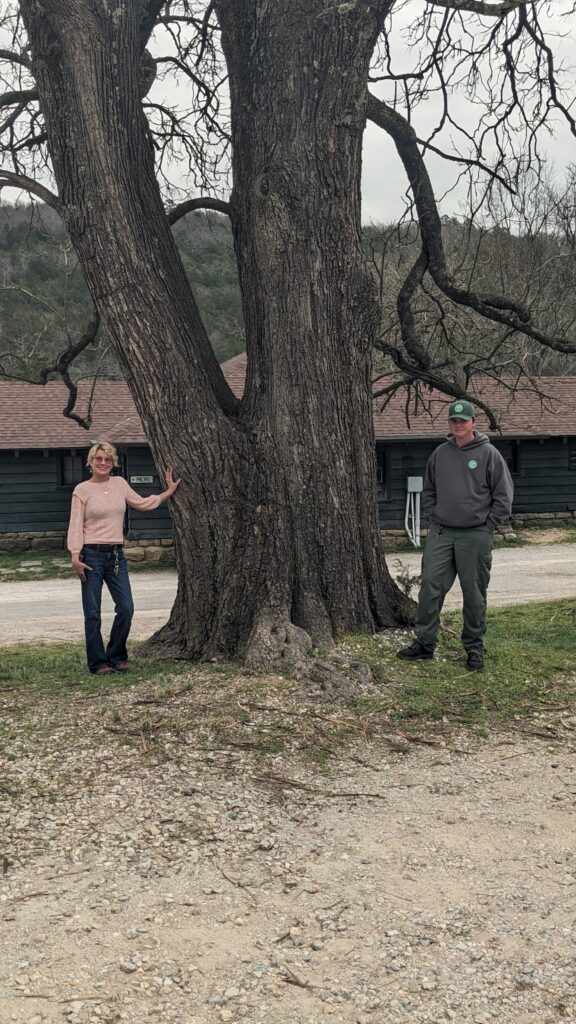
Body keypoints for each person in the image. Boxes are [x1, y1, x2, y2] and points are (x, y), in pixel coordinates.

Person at [396, 400, 513, 672]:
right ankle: (425, 643)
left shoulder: (489, 454)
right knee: (430, 588)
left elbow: (504, 494)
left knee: (474, 593)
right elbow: (429, 489)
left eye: (463, 420)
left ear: (473, 422)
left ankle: (474, 648)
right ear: (449, 423)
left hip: (475, 534)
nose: (458, 424)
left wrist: (489, 524)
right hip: (442, 532)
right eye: (453, 420)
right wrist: (432, 515)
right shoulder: (440, 454)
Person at [67, 442, 181, 675]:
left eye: (108, 459)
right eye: (99, 459)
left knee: (126, 607)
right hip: (91, 556)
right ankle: (98, 663)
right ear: (91, 462)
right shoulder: (82, 490)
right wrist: (75, 555)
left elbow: (142, 503)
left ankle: (117, 655)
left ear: (113, 463)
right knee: (93, 613)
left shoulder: (120, 484)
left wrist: (167, 493)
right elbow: (75, 523)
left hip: (116, 555)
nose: (103, 463)